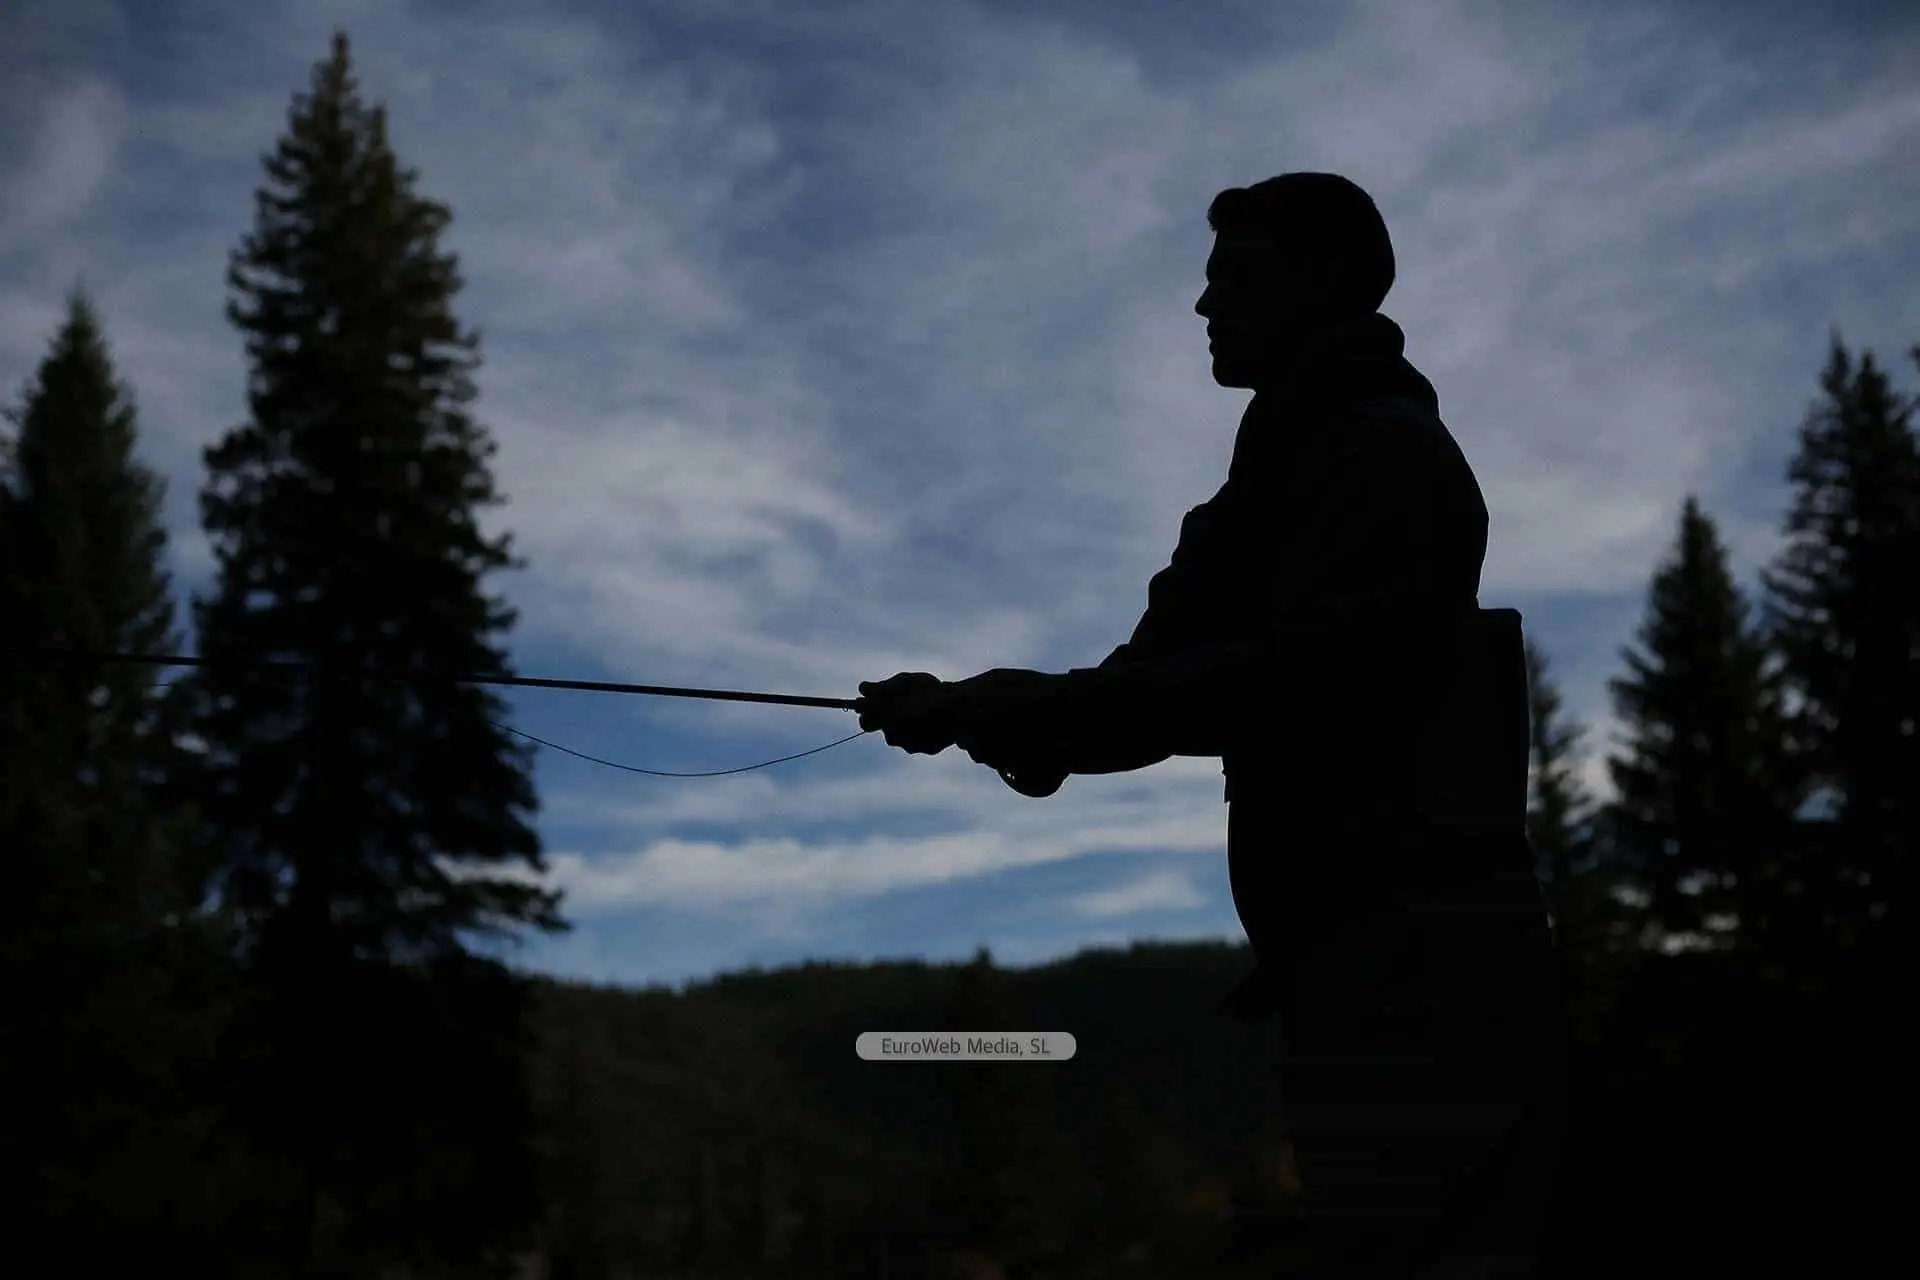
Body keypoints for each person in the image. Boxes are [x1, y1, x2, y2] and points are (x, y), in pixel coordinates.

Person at [854, 172, 1564, 1277]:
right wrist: (981, 714)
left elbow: (1292, 679)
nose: (1204, 303)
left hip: (1431, 972)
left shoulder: (1386, 456)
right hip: (1348, 971)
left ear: (1323, 281)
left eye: (1236, 276)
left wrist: (1020, 708)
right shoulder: (1259, 492)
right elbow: (1150, 685)